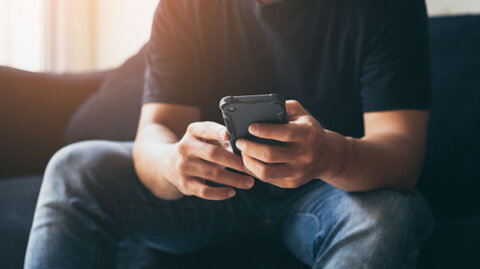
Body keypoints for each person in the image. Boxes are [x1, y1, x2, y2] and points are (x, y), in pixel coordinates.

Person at [25, 0, 434, 268]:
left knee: (392, 214)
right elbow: (155, 130)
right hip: (213, 189)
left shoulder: (387, 5)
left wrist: (330, 156)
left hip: (330, 190)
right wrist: (173, 163)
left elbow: (403, 155)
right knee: (73, 168)